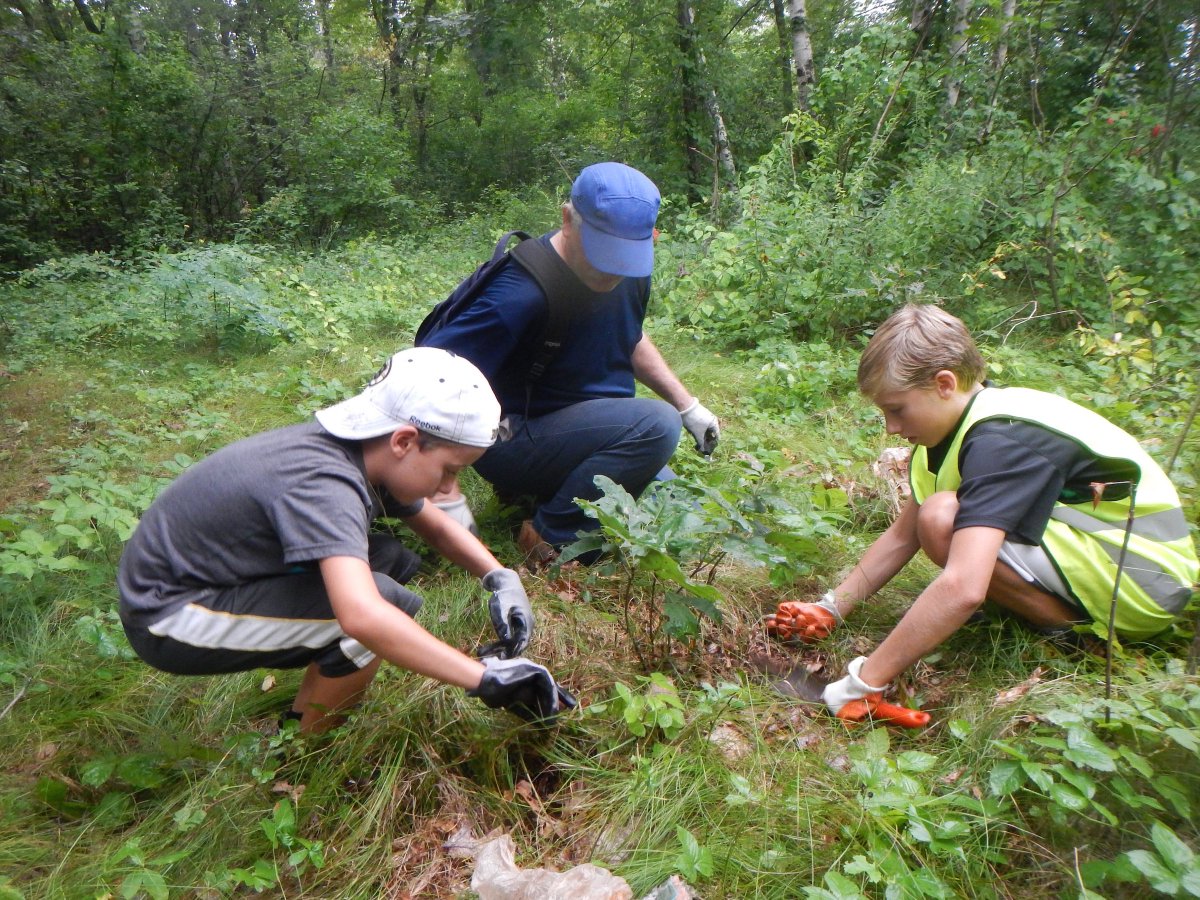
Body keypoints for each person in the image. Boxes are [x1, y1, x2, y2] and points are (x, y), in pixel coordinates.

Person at [769, 304, 1198, 720]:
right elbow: (903, 536)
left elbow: (962, 588)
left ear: (943, 383)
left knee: (942, 517)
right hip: (1102, 560)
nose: (891, 428)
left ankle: (1073, 634)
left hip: (1144, 583)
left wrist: (861, 684)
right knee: (933, 519)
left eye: (896, 409)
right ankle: (1045, 613)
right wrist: (832, 607)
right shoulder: (951, 433)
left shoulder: (1002, 440)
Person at [118, 348, 573, 734]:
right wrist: (485, 680)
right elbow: (363, 617)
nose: (446, 487)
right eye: (450, 471)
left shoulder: (360, 450)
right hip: (169, 616)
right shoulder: (326, 484)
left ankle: (313, 699)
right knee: (381, 613)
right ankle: (302, 751)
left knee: (391, 561)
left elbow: (431, 521)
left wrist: (500, 577)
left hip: (211, 577)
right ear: (404, 441)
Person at [419, 162, 720, 566]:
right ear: (567, 219)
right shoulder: (520, 293)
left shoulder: (629, 271)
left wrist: (688, 406)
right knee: (656, 427)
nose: (614, 272)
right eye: (604, 255)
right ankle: (548, 536)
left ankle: (545, 495)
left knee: (680, 510)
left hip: (588, 434)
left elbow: (628, 335)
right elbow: (427, 375)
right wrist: (439, 486)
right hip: (513, 435)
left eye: (626, 258)